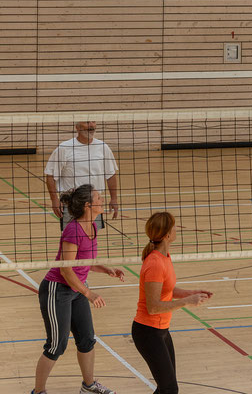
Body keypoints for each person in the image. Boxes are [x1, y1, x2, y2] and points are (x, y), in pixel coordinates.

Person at [32, 184, 125, 394]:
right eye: (98, 198)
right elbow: (66, 270)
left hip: (77, 289)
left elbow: (85, 261)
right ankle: (38, 392)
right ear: (87, 205)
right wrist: (89, 294)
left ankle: (88, 386)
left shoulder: (92, 226)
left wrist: (106, 269)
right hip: (58, 290)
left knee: (87, 340)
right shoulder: (73, 230)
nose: (102, 200)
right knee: (56, 345)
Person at [132, 212, 213, 394]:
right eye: (174, 226)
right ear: (167, 234)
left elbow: (166, 290)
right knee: (169, 389)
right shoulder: (155, 263)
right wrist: (186, 302)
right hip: (148, 332)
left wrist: (191, 293)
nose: (177, 228)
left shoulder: (164, 257)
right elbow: (153, 307)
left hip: (160, 331)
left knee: (165, 388)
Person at [45, 121, 119, 230]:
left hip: (94, 203)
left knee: (91, 239)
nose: (91, 125)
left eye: (93, 122)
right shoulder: (64, 148)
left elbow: (111, 174)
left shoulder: (103, 147)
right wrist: (54, 200)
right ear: (77, 127)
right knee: (71, 238)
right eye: (87, 122)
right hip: (72, 203)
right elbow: (50, 175)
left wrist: (114, 199)